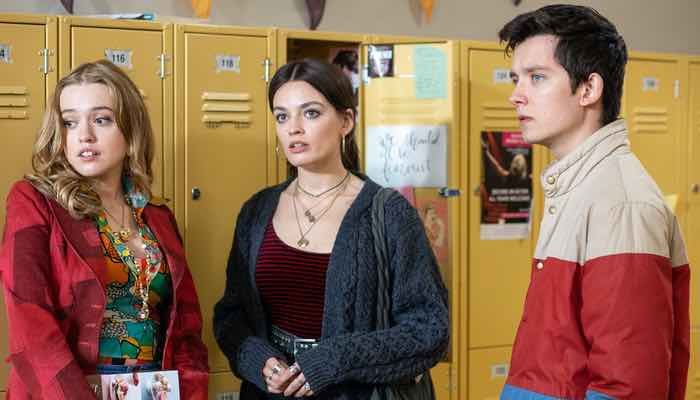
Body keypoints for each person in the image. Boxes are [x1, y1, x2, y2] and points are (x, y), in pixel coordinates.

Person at [213, 58, 449, 399]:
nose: (294, 128)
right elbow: (231, 315)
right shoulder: (256, 211)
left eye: (310, 113)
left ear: (346, 121)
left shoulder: (389, 214)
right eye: (282, 116)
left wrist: (334, 359)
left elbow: (429, 329)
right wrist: (256, 359)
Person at [498, 5, 690, 399]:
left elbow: (627, 387)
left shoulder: (620, 204)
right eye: (516, 79)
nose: (516, 96)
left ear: (589, 89)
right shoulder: (579, 188)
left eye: (537, 78)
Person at [0, 59, 209, 398]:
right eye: (69, 122)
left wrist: (192, 392)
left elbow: (186, 327)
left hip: (153, 388)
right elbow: (31, 327)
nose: (84, 135)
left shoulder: (157, 215)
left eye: (101, 119)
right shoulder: (34, 202)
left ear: (131, 129)